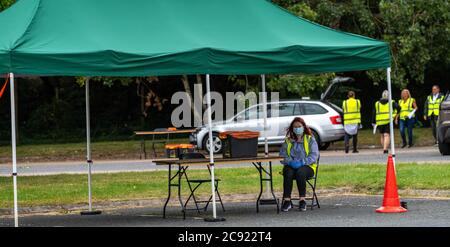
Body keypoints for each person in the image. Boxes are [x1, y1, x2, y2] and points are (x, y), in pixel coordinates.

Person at [279, 117, 319, 212]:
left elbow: (314, 155)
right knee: (288, 172)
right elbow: (282, 156)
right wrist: (290, 162)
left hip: (307, 166)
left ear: (304, 127)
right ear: (292, 128)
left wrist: (302, 162)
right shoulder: (288, 141)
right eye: (295, 127)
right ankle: (287, 201)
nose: (297, 128)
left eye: (299, 126)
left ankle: (302, 200)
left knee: (300, 172)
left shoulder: (310, 140)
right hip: (291, 166)